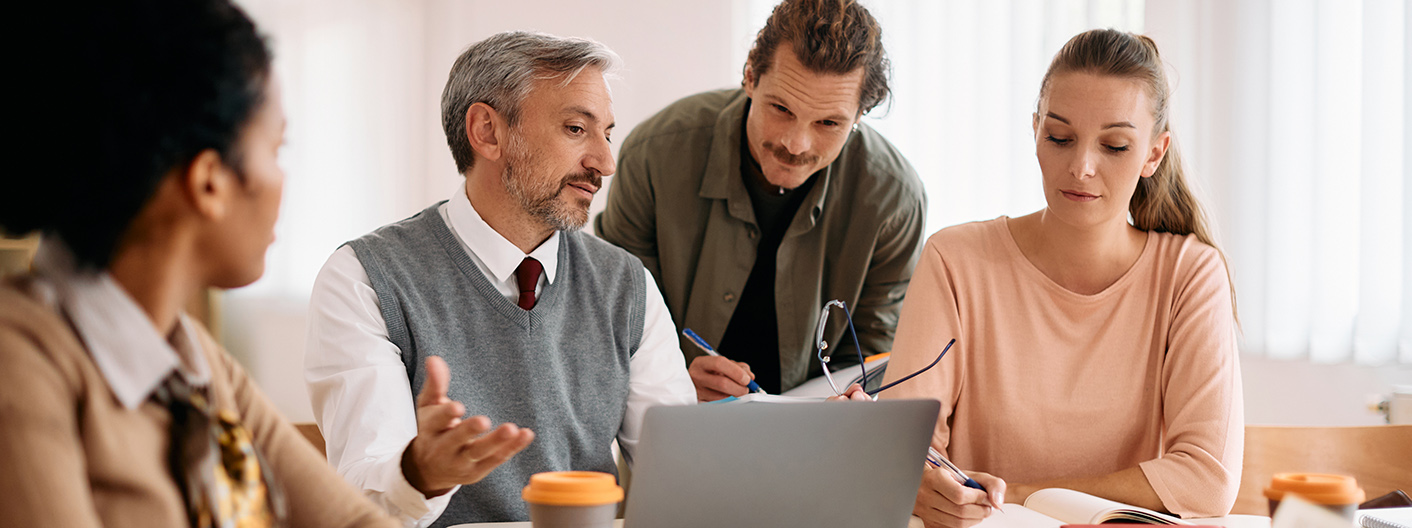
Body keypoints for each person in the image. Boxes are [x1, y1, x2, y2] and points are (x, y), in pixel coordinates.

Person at [0, 1, 398, 526]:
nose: (283, 180)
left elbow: (353, 521)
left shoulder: (193, 360)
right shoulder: (20, 363)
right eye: (276, 149)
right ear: (210, 180)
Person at [304, 31, 696, 527]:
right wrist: (421, 473)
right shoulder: (365, 279)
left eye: (607, 134)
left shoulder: (627, 285)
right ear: (487, 131)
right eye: (577, 129)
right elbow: (362, 507)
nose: (605, 163)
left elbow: (686, 483)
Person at [881, 29, 1244, 528]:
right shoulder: (955, 260)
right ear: (1035, 133)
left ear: (1153, 155)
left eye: (1115, 146)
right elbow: (905, 453)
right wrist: (916, 480)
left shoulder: (1190, 274)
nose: (1081, 167)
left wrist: (1021, 497)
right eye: (1059, 138)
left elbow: (1207, 479)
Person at [594, 0, 927, 400]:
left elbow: (875, 356)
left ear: (861, 113)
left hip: (817, 441)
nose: (795, 144)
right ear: (750, 76)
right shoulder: (655, 153)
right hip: (671, 422)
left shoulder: (894, 199)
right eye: (781, 108)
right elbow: (611, 319)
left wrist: (846, 403)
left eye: (828, 123)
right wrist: (674, 379)